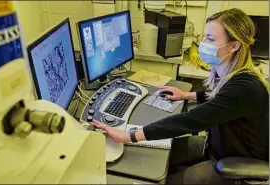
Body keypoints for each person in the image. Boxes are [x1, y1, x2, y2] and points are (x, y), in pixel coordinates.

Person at [90, 8, 269, 184]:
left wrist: (128, 136)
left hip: (233, 163)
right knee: (159, 157)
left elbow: (190, 120)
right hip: (217, 145)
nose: (203, 43)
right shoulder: (231, 75)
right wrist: (187, 95)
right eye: (205, 36)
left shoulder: (244, 87)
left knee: (160, 177)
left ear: (234, 46)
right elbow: (220, 100)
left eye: (211, 39)